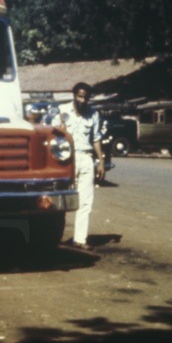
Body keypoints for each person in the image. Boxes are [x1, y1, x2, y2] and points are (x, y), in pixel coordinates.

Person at [54, 82, 104, 250]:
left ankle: (80, 239)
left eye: (85, 97)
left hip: (86, 158)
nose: (82, 100)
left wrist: (101, 161)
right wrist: (59, 129)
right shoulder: (62, 110)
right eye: (79, 96)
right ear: (74, 95)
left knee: (85, 202)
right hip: (67, 159)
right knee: (61, 199)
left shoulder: (93, 114)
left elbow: (96, 138)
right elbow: (51, 132)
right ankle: (55, 236)